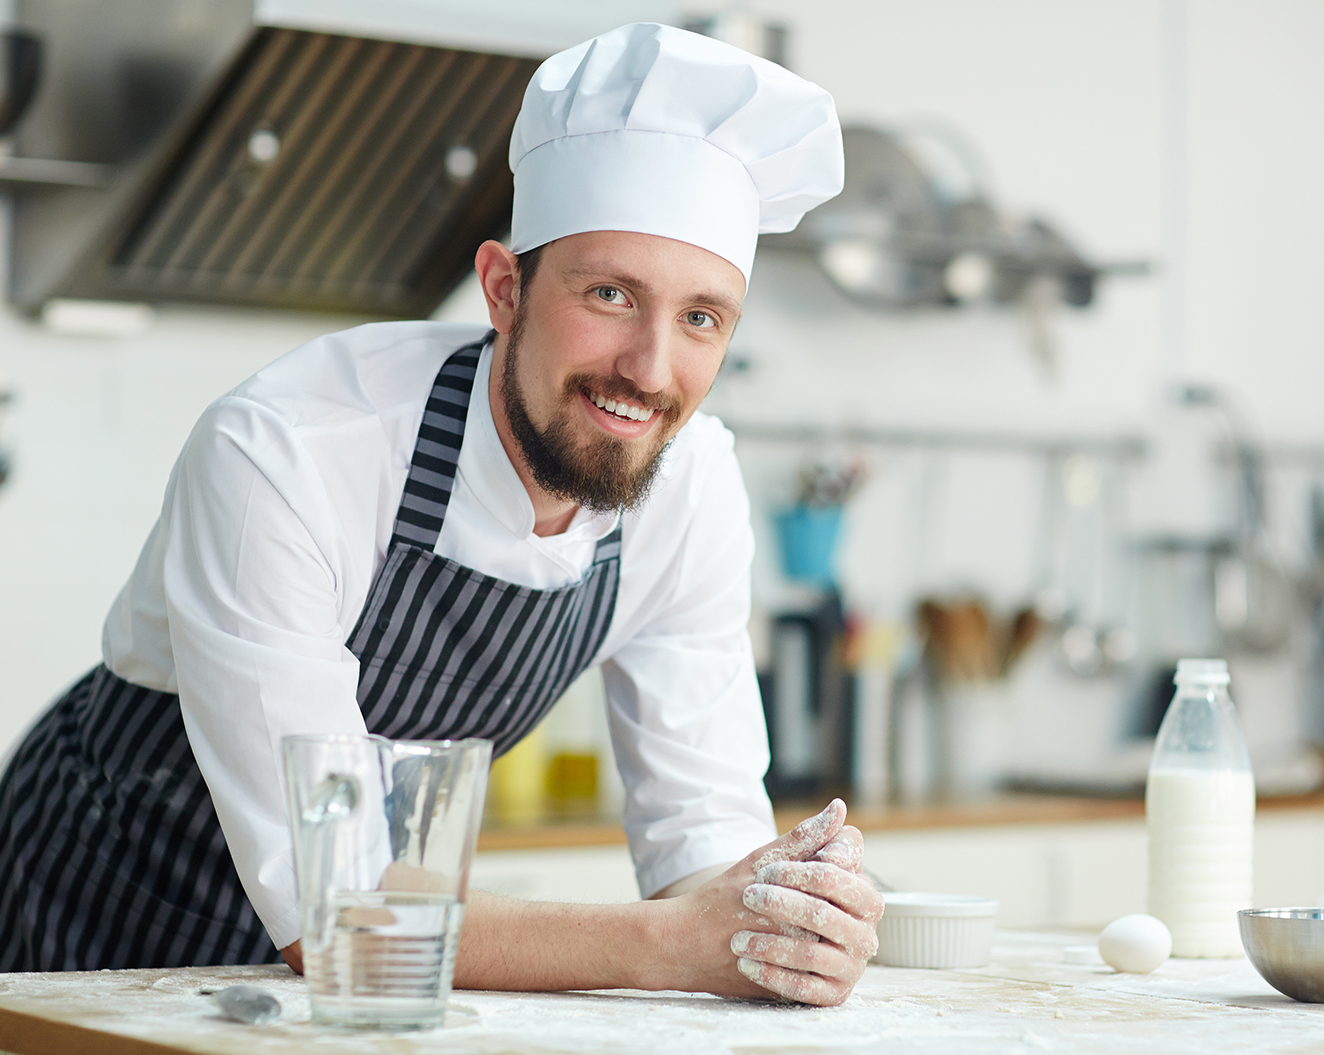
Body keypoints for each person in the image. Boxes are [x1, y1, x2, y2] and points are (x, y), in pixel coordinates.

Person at [0, 23, 881, 1005]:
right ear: (504, 288)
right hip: (104, 928)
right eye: (610, 294)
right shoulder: (290, 449)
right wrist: (675, 943)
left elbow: (706, 831)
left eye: (701, 318)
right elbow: (335, 910)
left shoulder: (692, 485)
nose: (652, 368)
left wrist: (783, 924)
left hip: (383, 973)